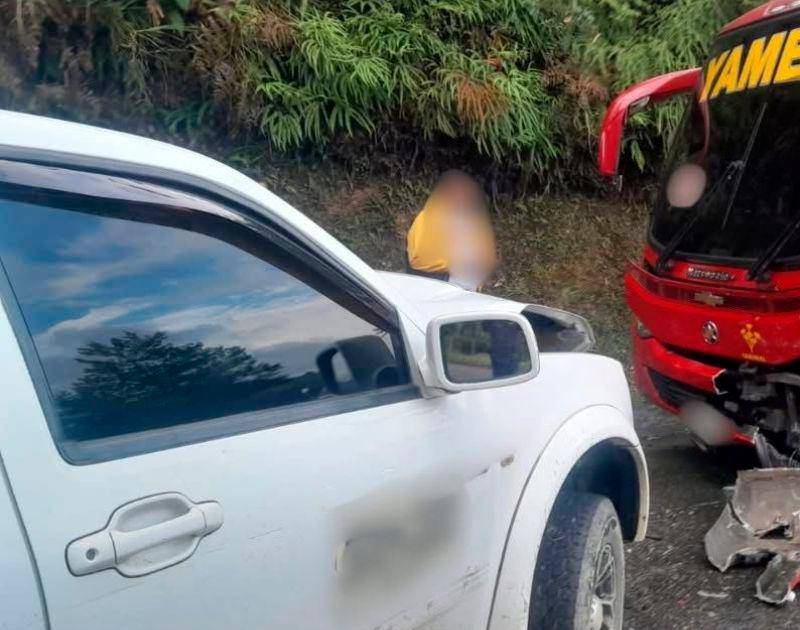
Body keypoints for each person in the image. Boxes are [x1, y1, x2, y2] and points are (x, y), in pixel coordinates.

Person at [406, 170, 497, 291]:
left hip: (468, 294)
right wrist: (457, 264)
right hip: (437, 291)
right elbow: (418, 259)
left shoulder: (470, 221)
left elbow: (484, 257)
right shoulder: (429, 217)